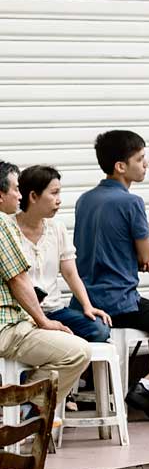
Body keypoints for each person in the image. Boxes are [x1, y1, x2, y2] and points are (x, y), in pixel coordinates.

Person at [74, 130, 149, 422]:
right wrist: (146, 259)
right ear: (121, 166)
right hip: (121, 304)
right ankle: (148, 384)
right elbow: (146, 257)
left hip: (87, 301)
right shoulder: (132, 203)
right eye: (140, 159)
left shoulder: (84, 200)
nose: (146, 164)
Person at [0, 160, 91, 430]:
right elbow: (18, 279)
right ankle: (23, 409)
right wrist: (43, 321)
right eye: (15, 189)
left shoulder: (55, 229)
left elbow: (69, 272)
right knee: (78, 351)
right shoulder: (4, 225)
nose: (19, 195)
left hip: (18, 323)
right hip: (8, 327)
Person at [13, 165, 111, 342]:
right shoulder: (9, 229)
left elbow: (70, 273)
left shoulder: (57, 228)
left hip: (55, 311)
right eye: (54, 193)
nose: (59, 200)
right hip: (23, 316)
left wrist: (87, 306)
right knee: (36, 340)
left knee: (99, 329)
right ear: (33, 196)